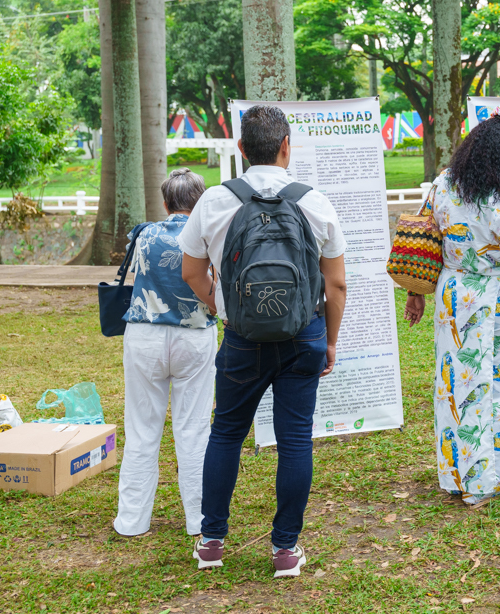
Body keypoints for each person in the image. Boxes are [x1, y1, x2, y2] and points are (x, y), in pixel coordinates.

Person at [179, 105, 348, 578]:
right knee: (295, 439)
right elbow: (335, 285)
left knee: (227, 434)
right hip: (303, 336)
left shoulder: (214, 200)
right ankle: (285, 551)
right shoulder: (313, 202)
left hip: (241, 340)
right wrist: (329, 343)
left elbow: (192, 270)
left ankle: (212, 542)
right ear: (286, 146)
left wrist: (221, 306)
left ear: (240, 149)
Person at [404, 107, 500, 505]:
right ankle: (490, 481)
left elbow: (420, 240)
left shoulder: (442, 186)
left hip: (454, 299)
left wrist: (415, 291)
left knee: (457, 387)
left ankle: (458, 477)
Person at [114, 168, 217, 539]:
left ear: (165, 202)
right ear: (201, 200)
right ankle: (200, 520)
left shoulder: (143, 234)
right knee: (194, 429)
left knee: (141, 429)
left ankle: (131, 520)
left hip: (144, 335)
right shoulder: (206, 233)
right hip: (194, 336)